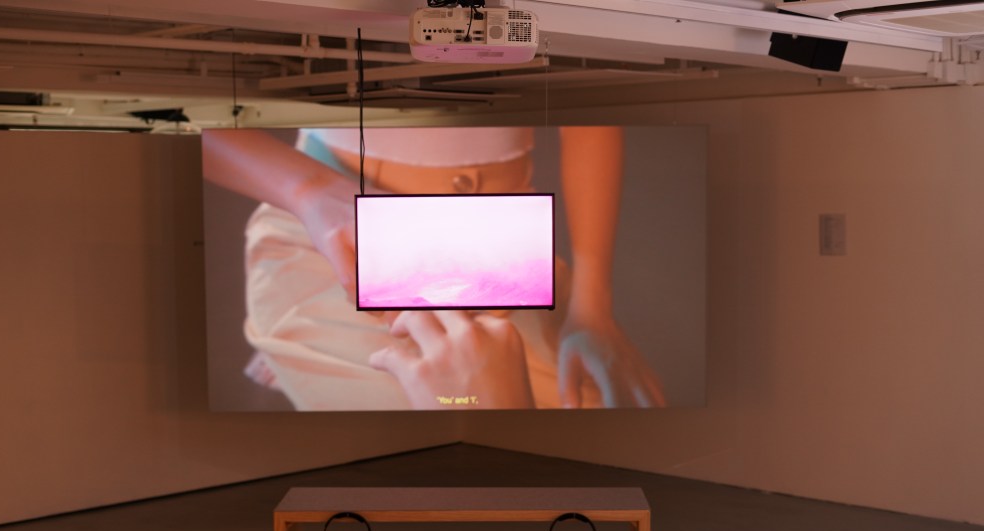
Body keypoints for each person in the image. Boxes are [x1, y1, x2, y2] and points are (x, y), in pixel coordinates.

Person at [202, 126, 665, 410]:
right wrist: (310, 194)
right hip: (340, 238)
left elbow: (586, 116)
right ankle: (302, 330)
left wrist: (592, 304)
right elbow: (176, 113)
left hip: (500, 247)